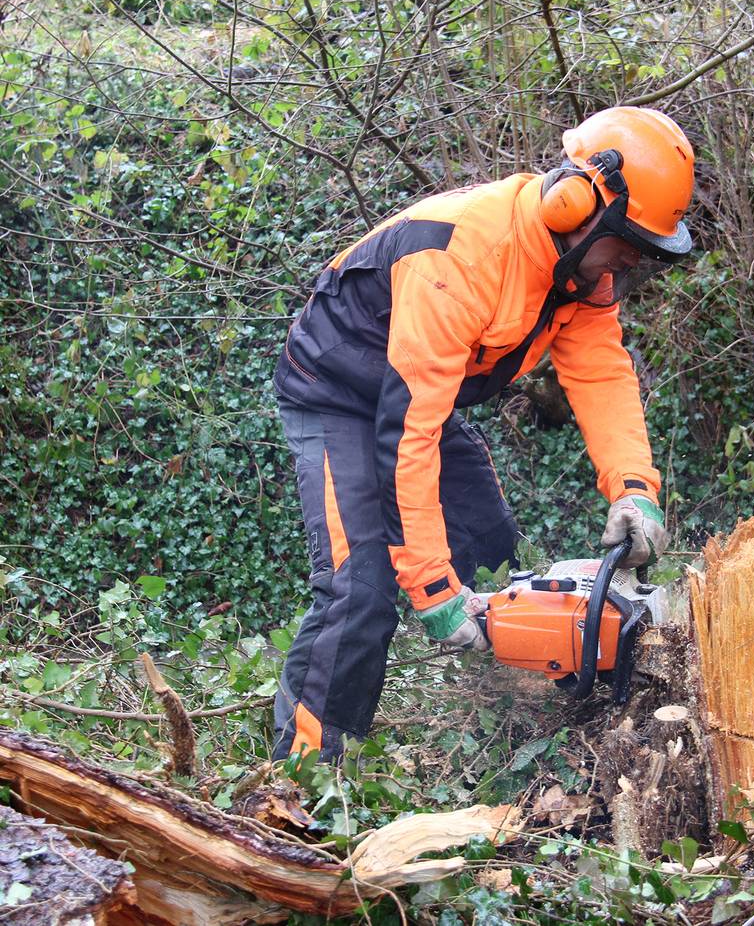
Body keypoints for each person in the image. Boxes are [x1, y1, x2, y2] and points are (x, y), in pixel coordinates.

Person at [271, 106, 695, 761]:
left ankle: (494, 709)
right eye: (626, 243)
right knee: (361, 591)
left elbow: (603, 376)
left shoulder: (580, 276)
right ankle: (302, 774)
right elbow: (404, 439)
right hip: (337, 394)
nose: (626, 264)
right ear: (574, 202)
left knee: (490, 543)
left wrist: (634, 489)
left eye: (641, 254)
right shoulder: (461, 255)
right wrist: (435, 592)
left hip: (415, 397)